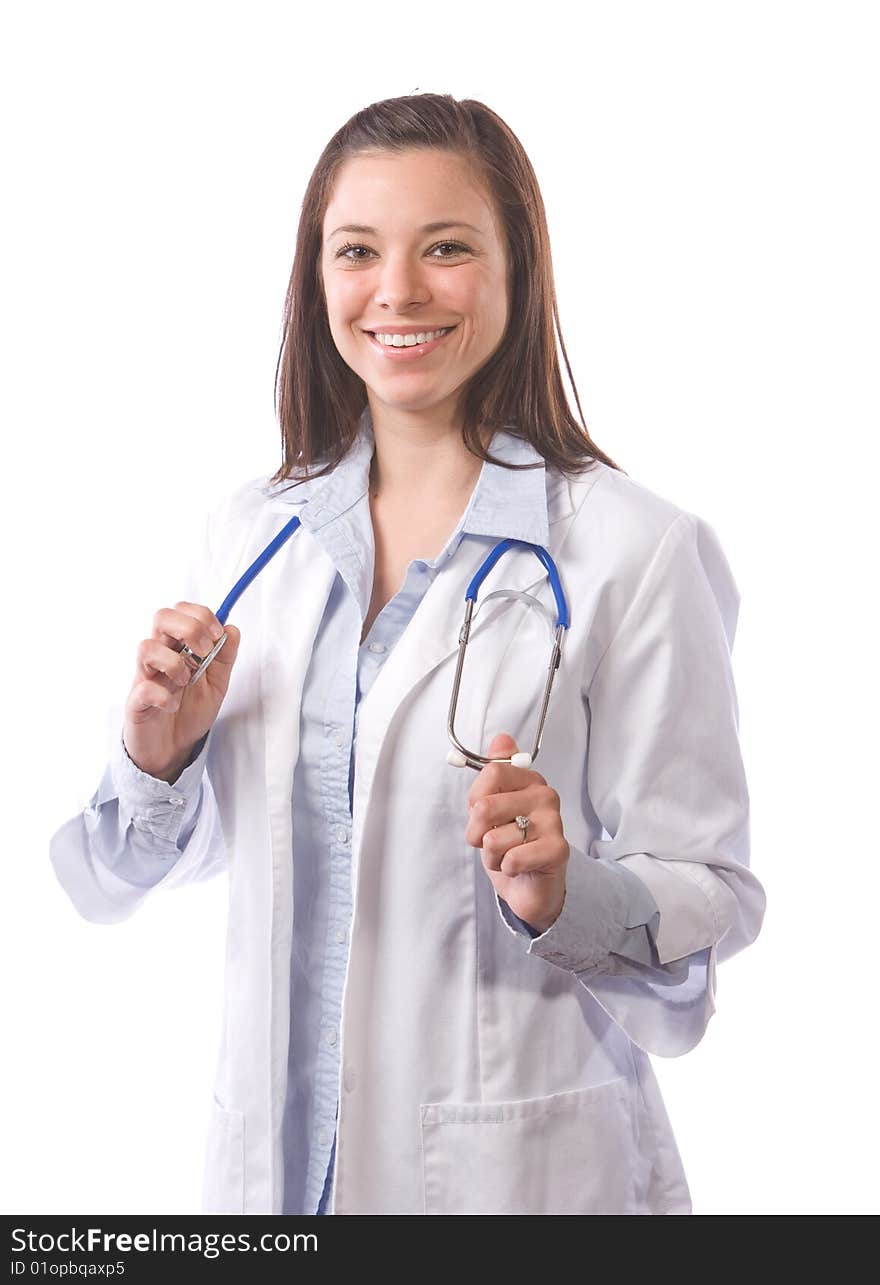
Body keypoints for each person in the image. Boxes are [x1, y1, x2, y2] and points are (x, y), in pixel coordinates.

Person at [49, 92, 766, 1216]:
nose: (397, 291)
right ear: (315, 277)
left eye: (445, 248)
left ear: (515, 271)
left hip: (518, 1180)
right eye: (357, 251)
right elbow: (122, 877)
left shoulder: (634, 551)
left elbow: (710, 897)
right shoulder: (252, 535)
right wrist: (158, 760)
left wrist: (562, 891)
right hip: (277, 1183)